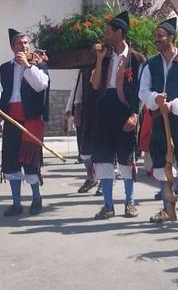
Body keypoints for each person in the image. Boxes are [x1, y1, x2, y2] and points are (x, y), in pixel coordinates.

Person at [138, 17, 178, 226]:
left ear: (171, 38)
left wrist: (173, 105)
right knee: (160, 163)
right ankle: (168, 209)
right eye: (156, 36)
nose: (156, 39)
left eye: (160, 36)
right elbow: (143, 90)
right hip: (159, 120)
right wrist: (155, 99)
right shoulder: (151, 64)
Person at [88, 12, 145, 220]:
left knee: (126, 158)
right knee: (103, 158)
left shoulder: (137, 59)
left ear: (119, 33)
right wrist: (99, 59)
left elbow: (141, 89)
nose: (105, 36)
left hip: (125, 110)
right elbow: (95, 85)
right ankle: (108, 205)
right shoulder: (104, 57)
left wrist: (135, 114)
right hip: (104, 109)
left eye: (108, 32)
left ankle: (130, 202)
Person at [0, 29, 50, 216]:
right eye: (20, 43)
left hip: (31, 122)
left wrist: (28, 66)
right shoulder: (5, 68)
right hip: (11, 121)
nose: (24, 46)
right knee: (11, 163)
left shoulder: (38, 65)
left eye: (26, 43)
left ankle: (36, 198)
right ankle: (16, 203)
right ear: (13, 47)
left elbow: (40, 85)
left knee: (31, 164)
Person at [68, 65, 100, 194]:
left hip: (103, 109)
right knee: (84, 149)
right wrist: (75, 109)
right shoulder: (83, 69)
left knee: (103, 149)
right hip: (86, 110)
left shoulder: (108, 63)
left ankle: (103, 181)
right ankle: (91, 177)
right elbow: (78, 90)